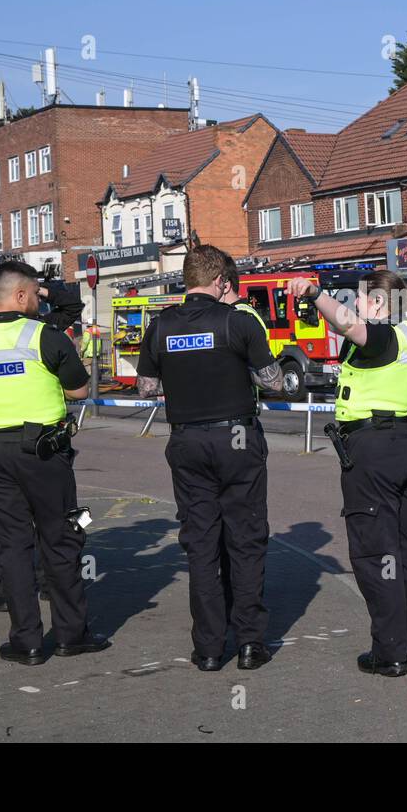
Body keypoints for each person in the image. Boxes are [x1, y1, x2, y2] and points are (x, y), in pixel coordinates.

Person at [287, 270, 407, 676]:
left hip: (375, 449)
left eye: (361, 300)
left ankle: (391, 652)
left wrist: (314, 293)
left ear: (379, 303)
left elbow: (347, 324)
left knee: (374, 551)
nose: (356, 307)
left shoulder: (382, 334)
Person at [0, 261, 109, 665]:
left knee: (11, 547)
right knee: (64, 538)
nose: (39, 300)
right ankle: (72, 635)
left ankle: (26, 642)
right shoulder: (44, 336)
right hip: (45, 455)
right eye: (35, 293)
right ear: (20, 296)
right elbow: (79, 388)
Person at [136, 245, 283, 672]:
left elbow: (146, 388)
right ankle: (251, 643)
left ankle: (208, 650)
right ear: (221, 281)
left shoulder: (160, 325)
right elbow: (272, 381)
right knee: (246, 539)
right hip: (236, 438)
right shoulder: (236, 321)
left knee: (200, 545)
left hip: (186, 442)